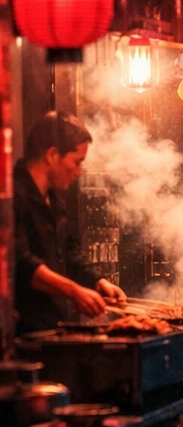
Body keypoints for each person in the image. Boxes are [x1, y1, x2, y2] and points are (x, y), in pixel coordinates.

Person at [14, 111, 125, 333]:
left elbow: (70, 251)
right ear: (52, 155)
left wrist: (98, 281)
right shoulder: (14, 197)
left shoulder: (54, 200)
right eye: (77, 162)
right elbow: (21, 263)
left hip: (52, 326)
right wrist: (74, 291)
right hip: (22, 331)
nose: (79, 172)